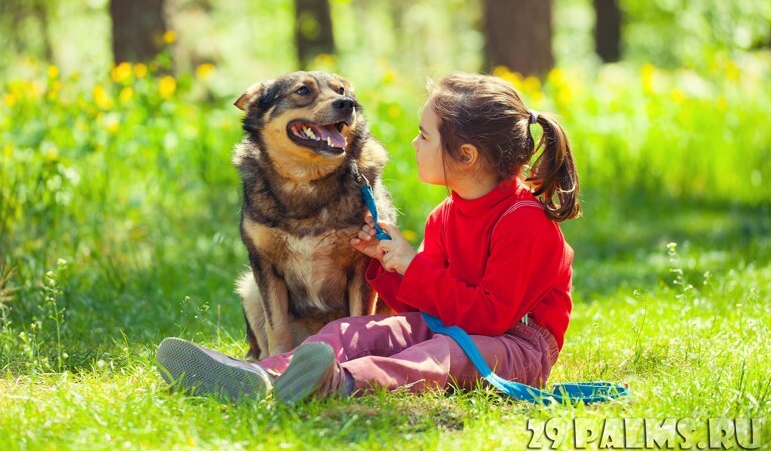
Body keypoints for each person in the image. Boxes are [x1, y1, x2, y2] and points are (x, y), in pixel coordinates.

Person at [156, 72, 581, 404]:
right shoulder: (445, 215)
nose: (413, 143)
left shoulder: (523, 222)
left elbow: (489, 319)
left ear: (466, 156)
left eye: (424, 135)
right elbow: (423, 309)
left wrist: (412, 265)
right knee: (351, 330)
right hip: (453, 327)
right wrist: (385, 262)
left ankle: (338, 382)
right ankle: (265, 375)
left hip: (517, 347)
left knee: (439, 355)